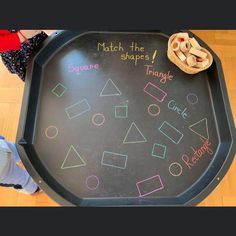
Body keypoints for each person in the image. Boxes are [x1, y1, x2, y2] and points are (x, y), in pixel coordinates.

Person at [0, 29, 55, 194]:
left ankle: (18, 154)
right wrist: (20, 37)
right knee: (21, 179)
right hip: (19, 46)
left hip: (30, 41)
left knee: (11, 150)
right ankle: (33, 187)